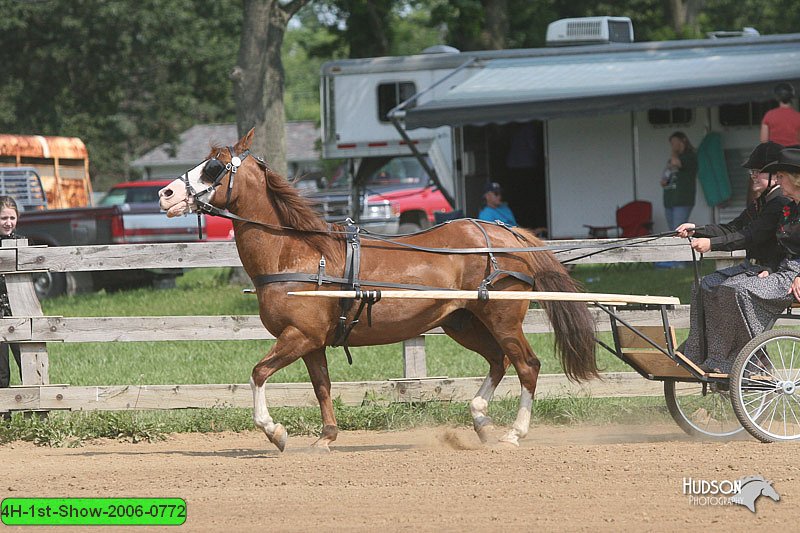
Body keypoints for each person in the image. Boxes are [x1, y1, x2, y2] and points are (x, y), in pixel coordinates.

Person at [680, 147, 800, 374]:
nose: (754, 176)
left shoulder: (779, 204)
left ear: (794, 179)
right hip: (781, 270)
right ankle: (705, 354)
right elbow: (776, 244)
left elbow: (753, 235)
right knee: (706, 285)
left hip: (792, 275)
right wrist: (698, 230)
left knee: (736, 291)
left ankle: (750, 361)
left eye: (780, 176)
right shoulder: (788, 208)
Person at [0, 196, 21, 388]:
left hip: (19, 309)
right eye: (3, 218)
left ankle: (34, 413)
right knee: (1, 370)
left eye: (12, 218)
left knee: (27, 361)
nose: (8, 223)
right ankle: (3, 414)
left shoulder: (22, 243)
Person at [661, 131, 698, 231]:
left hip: (682, 199)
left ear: (683, 141)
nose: (672, 145)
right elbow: (663, 180)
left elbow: (676, 163)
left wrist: (674, 152)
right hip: (670, 200)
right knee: (672, 231)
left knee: (678, 230)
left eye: (674, 142)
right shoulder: (672, 159)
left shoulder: (690, 156)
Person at [761, 82, 800, 147]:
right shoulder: (798, 116)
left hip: (775, 153)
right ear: (792, 96)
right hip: (794, 154)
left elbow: (763, 140)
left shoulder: (769, 115)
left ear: (777, 97)